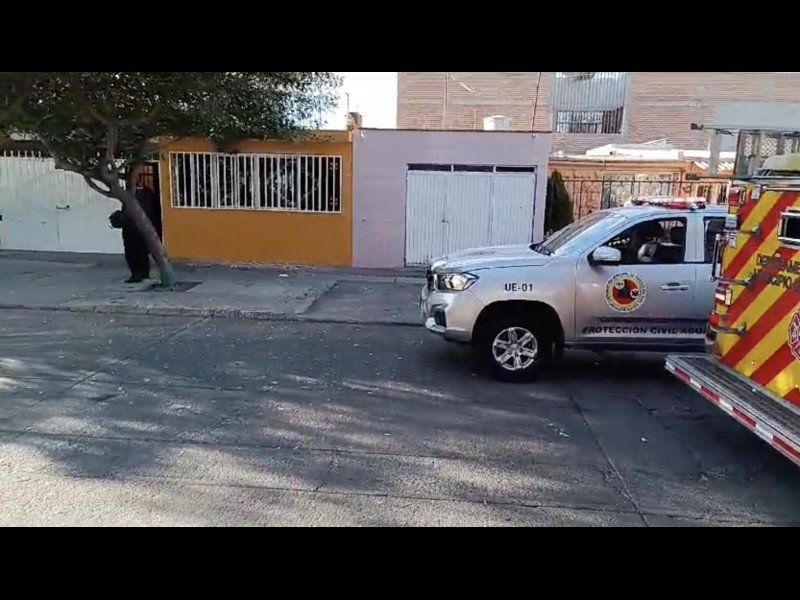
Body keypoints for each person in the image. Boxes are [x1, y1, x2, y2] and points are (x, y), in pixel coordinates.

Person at [121, 179, 159, 283]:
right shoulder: (127, 194)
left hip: (140, 228)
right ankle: (135, 274)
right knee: (130, 253)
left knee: (141, 252)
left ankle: (142, 274)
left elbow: (148, 210)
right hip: (129, 229)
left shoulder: (146, 194)